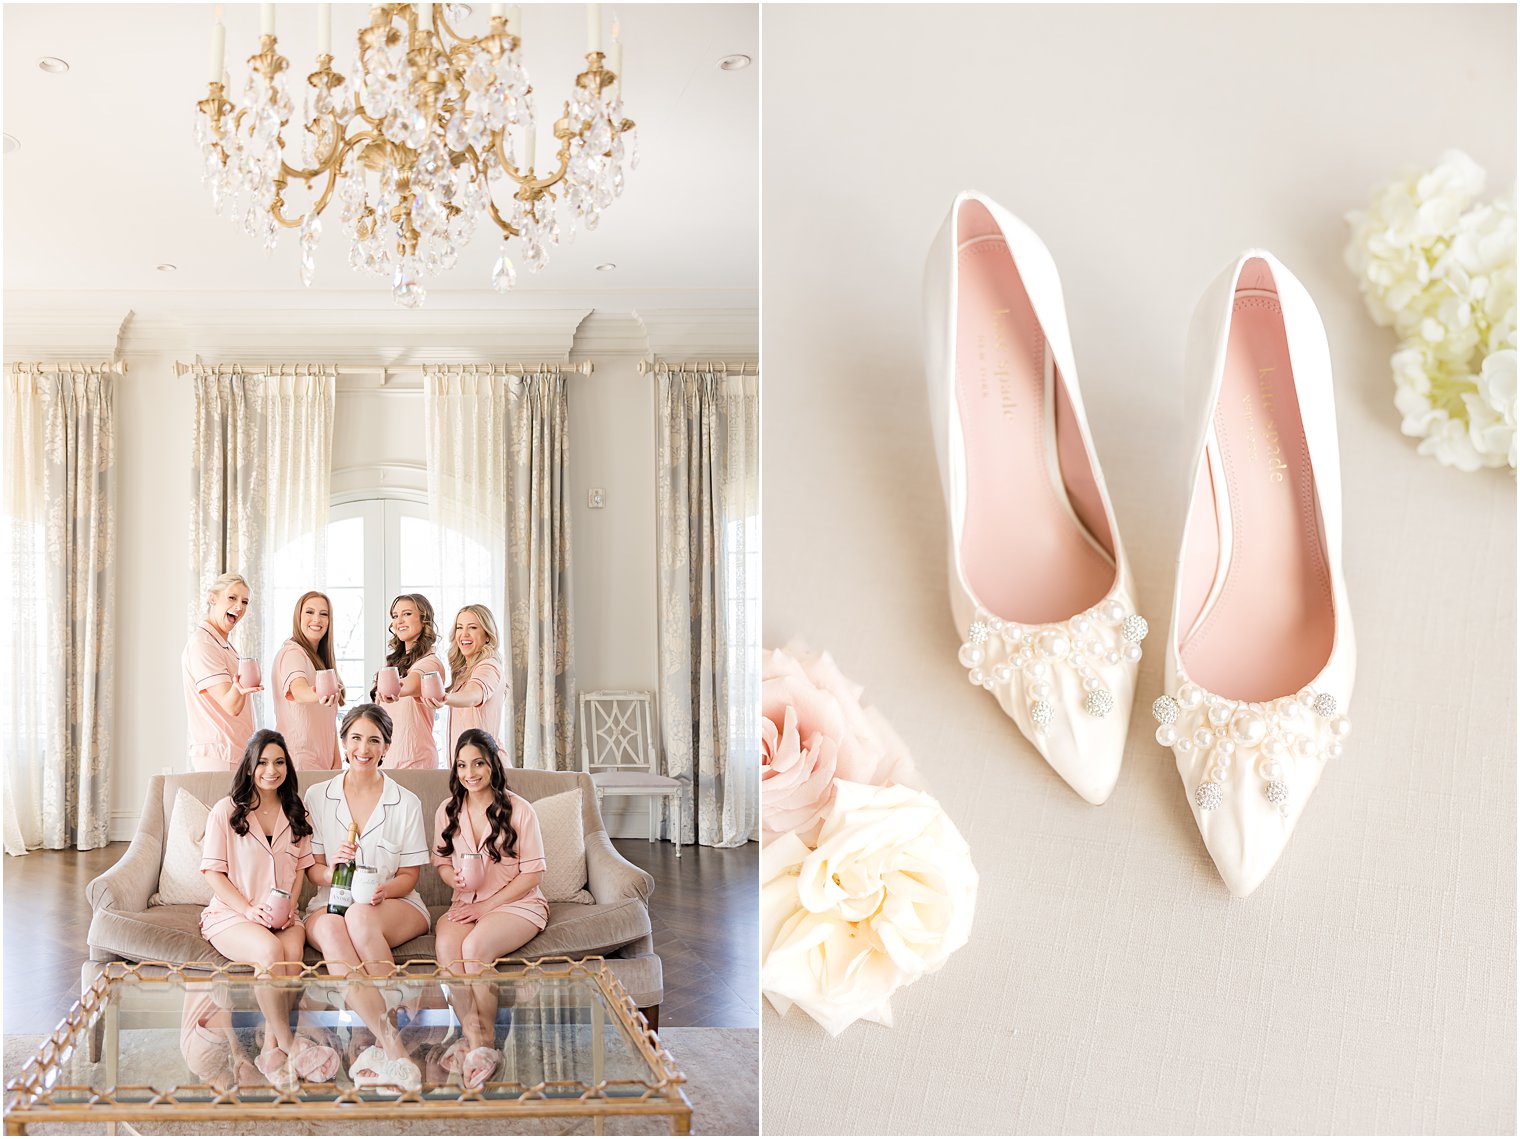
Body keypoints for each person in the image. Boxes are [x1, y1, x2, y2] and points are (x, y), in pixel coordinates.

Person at [199, 729, 336, 1086]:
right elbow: (213, 874)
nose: (271, 770)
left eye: (278, 762)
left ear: (287, 767)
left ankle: (270, 1046)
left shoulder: (296, 811)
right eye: (262, 762)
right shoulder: (226, 811)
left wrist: (289, 905)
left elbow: (302, 869)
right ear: (248, 767)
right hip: (233, 916)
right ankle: (290, 1045)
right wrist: (248, 910)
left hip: (282, 916)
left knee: (291, 950)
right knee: (271, 951)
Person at [303, 703, 430, 1090]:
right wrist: (330, 868)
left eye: (374, 740)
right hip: (330, 902)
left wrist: (382, 891)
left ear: (386, 746)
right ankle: (388, 1044)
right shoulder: (317, 796)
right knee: (335, 928)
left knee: (359, 918)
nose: (363, 747)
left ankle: (381, 1041)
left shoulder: (405, 802)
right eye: (355, 738)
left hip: (392, 904)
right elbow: (313, 872)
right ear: (343, 742)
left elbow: (409, 876)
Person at [431, 728, 549, 1088]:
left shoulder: (520, 809)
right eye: (462, 765)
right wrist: (455, 880)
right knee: (448, 946)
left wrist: (487, 907)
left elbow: (534, 873)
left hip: (517, 904)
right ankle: (471, 1035)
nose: (470, 773)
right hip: (466, 903)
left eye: (478, 763)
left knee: (475, 947)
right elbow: (440, 862)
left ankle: (485, 1042)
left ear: (493, 763)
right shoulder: (448, 810)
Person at [182, 572, 262, 771]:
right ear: (213, 598)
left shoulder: (224, 645)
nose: (239, 607)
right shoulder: (204, 644)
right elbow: (231, 705)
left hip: (234, 753)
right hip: (220, 755)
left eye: (245, 602)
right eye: (232, 598)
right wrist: (241, 688)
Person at [372, 594, 446, 769]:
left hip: (415, 761)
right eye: (395, 616)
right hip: (389, 761)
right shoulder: (397, 665)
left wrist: (393, 689)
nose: (399, 621)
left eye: (406, 614)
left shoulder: (430, 663)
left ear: (424, 619)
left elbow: (411, 684)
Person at [273, 590, 345, 770]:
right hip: (300, 759)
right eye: (310, 612)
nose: (317, 619)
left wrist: (336, 762)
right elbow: (298, 691)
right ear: (298, 617)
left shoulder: (319, 662)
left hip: (323, 763)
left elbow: (327, 724)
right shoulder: (293, 653)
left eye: (323, 614)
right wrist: (319, 693)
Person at [441, 605, 509, 761]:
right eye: (459, 627)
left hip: (485, 765)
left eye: (472, 627)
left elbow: (473, 695)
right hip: (468, 765)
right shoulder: (463, 671)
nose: (464, 634)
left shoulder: (488, 666)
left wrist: (443, 698)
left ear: (487, 635)